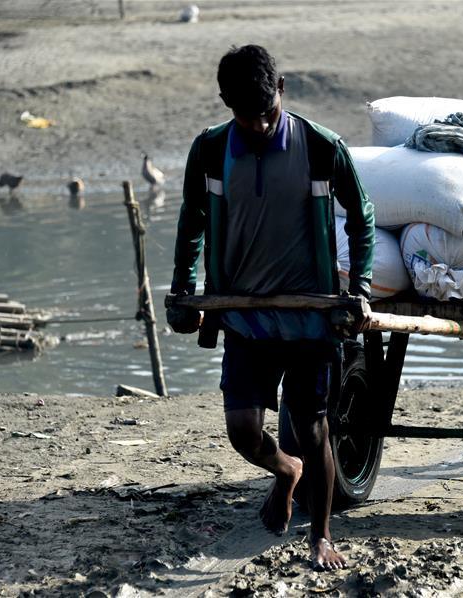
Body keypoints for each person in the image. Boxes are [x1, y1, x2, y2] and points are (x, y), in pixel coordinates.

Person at [165, 45, 375, 569]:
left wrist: (361, 288)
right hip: (245, 317)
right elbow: (192, 220)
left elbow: (362, 215)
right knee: (241, 430)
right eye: (247, 116)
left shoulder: (321, 146)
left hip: (309, 319)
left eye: (267, 112)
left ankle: (321, 535)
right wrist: (182, 287)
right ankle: (286, 471)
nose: (259, 126)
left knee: (313, 428)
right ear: (225, 102)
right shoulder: (210, 149)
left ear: (281, 89)